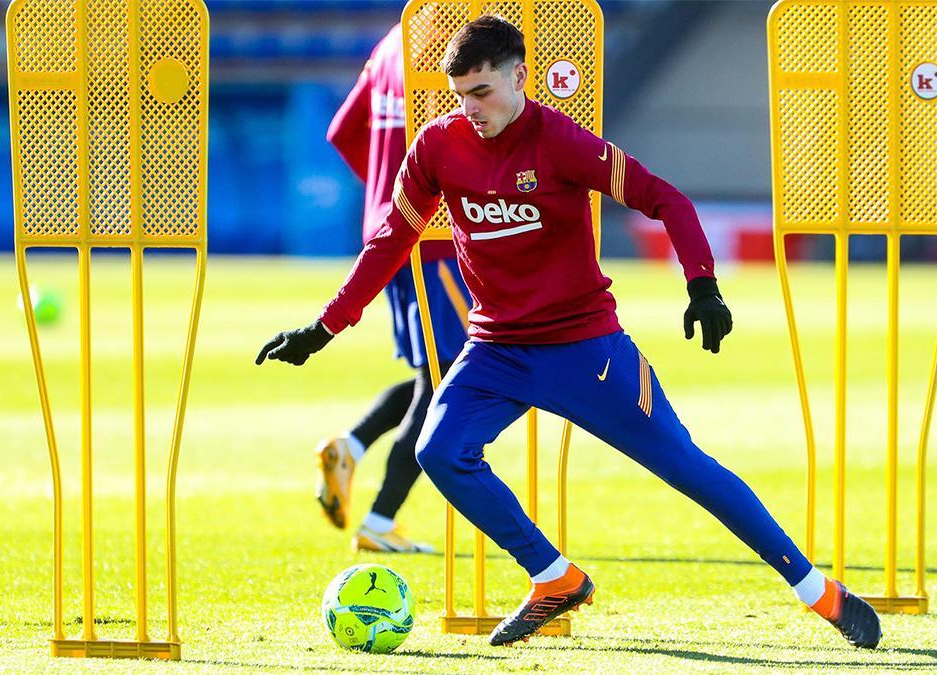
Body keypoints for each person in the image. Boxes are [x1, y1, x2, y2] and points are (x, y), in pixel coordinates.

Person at [257, 16, 882, 649]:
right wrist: (325, 327)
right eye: (459, 94)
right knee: (439, 450)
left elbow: (667, 200)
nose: (470, 108)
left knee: (686, 469)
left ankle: (818, 592)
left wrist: (703, 286)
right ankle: (554, 578)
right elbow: (392, 238)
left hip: (587, 350)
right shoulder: (438, 148)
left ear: (519, 77)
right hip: (496, 349)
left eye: (482, 92)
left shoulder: (561, 142)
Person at [317, 23, 471, 554]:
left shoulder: (393, 41)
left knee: (434, 370)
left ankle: (352, 446)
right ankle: (380, 522)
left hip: (395, 233)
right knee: (449, 380)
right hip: (437, 238)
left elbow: (343, 131)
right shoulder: (456, 42)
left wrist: (387, 193)